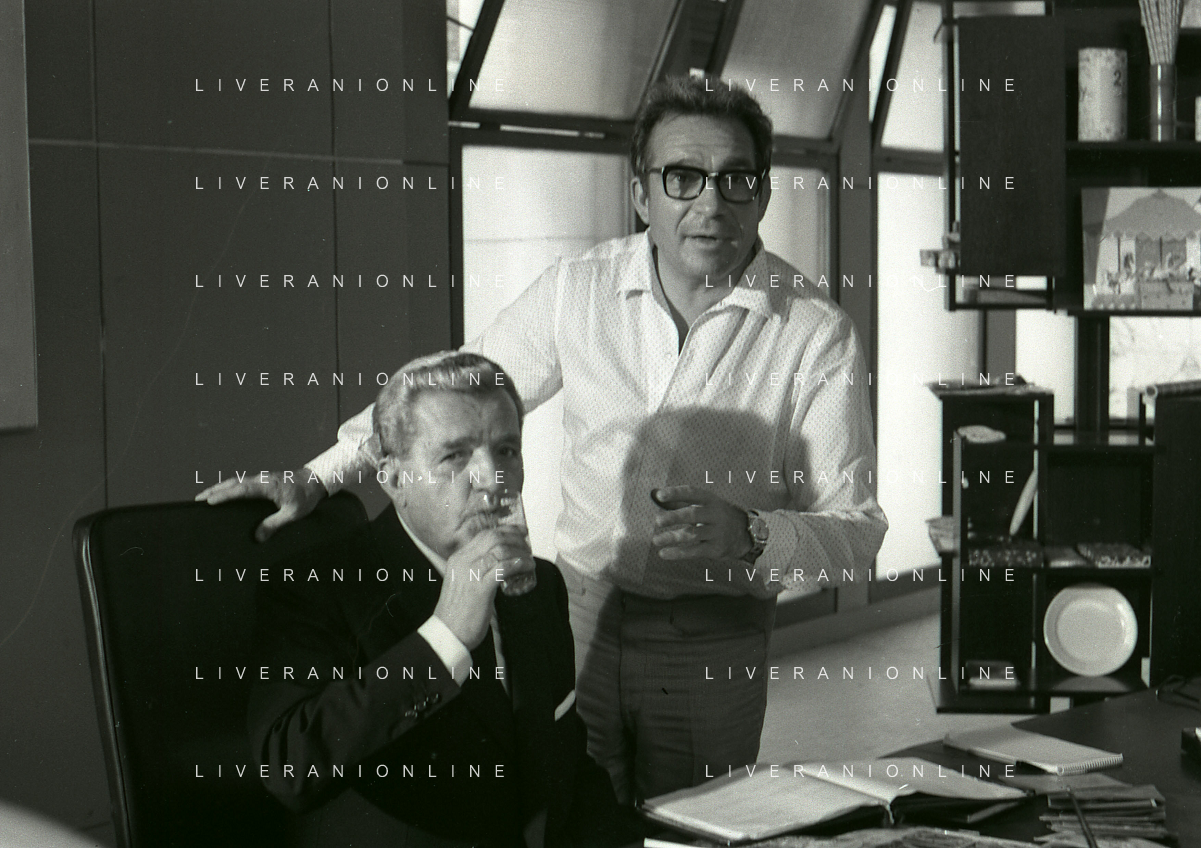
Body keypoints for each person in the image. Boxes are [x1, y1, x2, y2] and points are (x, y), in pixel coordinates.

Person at [207, 77, 887, 805]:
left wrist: (752, 535)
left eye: (735, 180)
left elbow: (857, 533)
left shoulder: (816, 334)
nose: (711, 204)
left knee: (690, 830)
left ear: (763, 194)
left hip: (713, 634)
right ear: (641, 194)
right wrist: (317, 478)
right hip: (577, 613)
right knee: (568, 813)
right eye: (682, 177)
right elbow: (444, 398)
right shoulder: (577, 289)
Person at [248, 351, 635, 848]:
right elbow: (288, 768)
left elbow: (563, 767)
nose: (493, 479)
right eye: (455, 456)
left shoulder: (540, 584)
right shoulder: (318, 584)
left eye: (507, 450)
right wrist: (444, 638)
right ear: (393, 478)